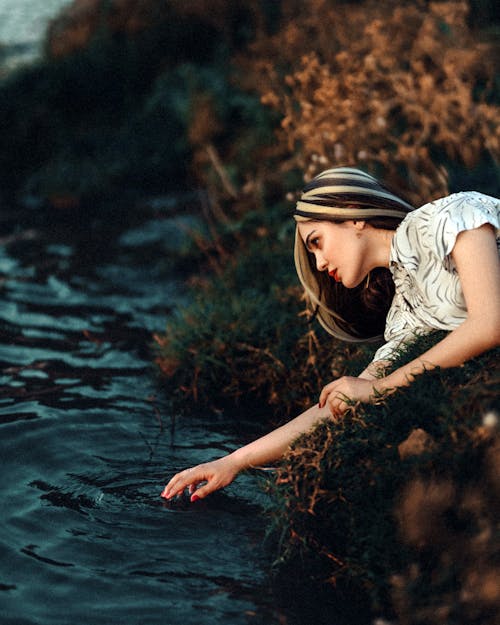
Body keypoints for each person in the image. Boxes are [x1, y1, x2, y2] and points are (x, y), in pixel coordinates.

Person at [161, 167, 500, 503]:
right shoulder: (404, 315)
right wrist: (232, 461)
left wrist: (380, 389)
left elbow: (490, 324)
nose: (320, 264)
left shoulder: (451, 215)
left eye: (317, 243)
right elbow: (336, 406)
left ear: (354, 216)